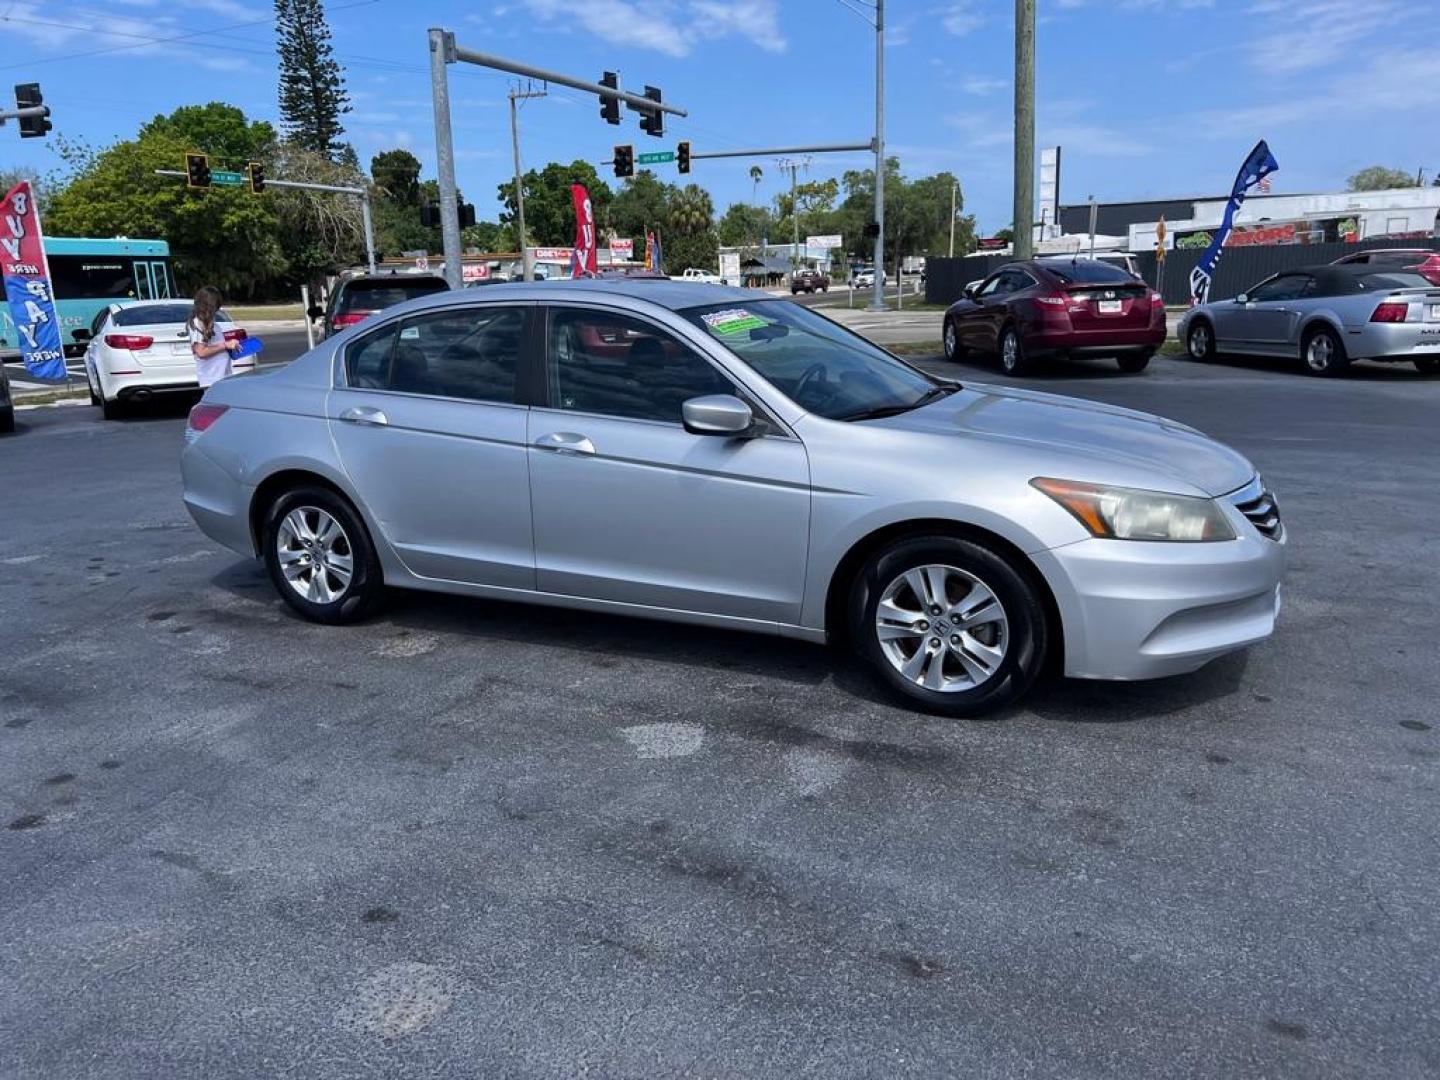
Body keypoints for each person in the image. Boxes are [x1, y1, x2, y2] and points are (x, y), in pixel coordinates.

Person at [187, 285, 240, 388]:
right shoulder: (198, 323)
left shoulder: (214, 326)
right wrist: (225, 345)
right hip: (211, 379)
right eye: (215, 306)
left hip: (222, 376)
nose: (217, 310)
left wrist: (232, 347)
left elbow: (217, 347)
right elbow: (201, 352)